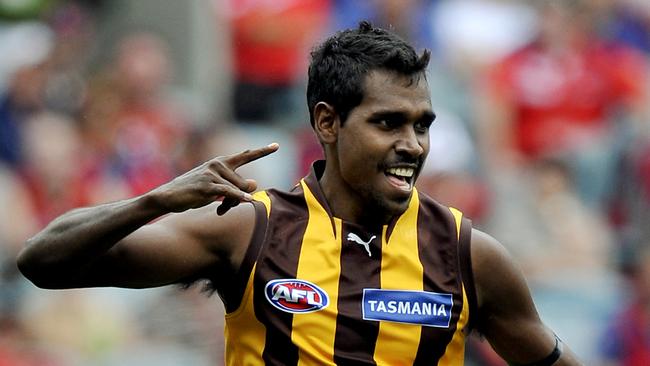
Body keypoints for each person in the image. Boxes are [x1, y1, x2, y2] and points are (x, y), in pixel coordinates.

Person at [17, 21, 582, 365]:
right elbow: (44, 261)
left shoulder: (467, 254)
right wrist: (154, 201)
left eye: (422, 125)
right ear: (328, 122)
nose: (413, 144)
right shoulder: (249, 230)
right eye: (388, 123)